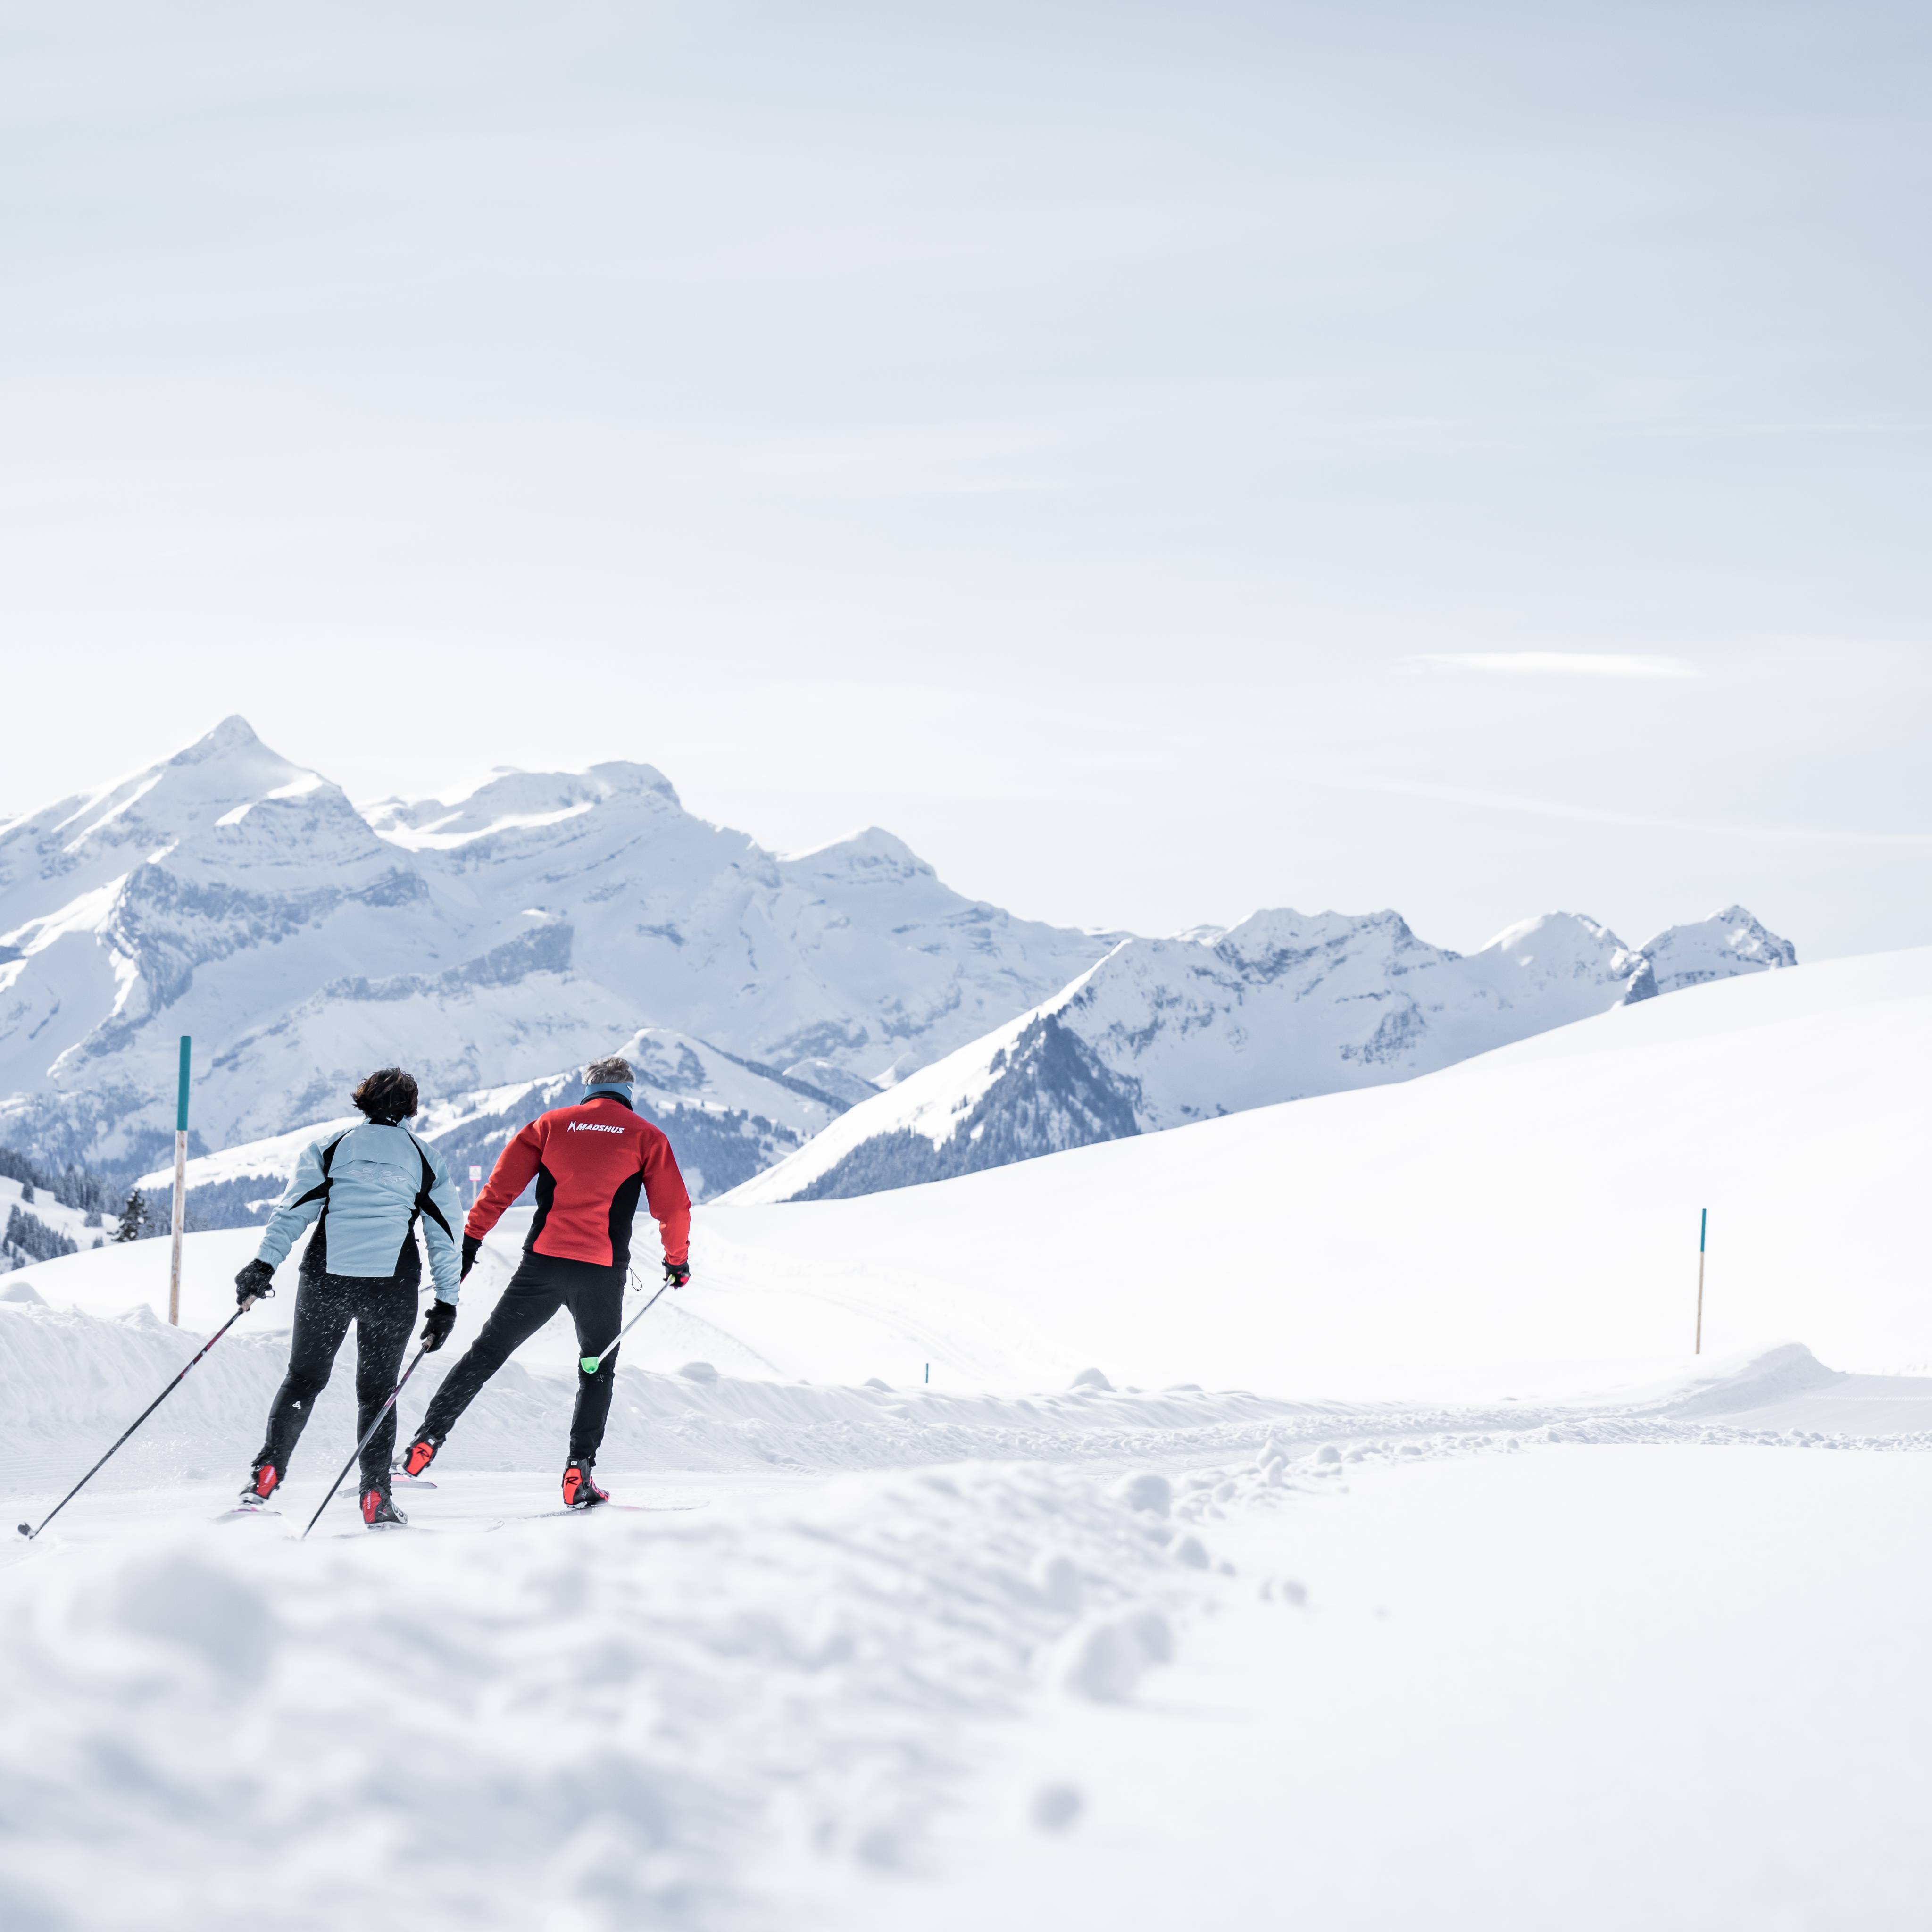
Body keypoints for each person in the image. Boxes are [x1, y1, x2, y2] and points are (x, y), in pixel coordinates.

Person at [402, 1055, 691, 1508]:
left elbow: (499, 1189)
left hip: (542, 1267)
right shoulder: (647, 1137)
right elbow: (673, 1209)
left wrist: (472, 1244)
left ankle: (424, 1446)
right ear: (629, 1091)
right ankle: (579, 1471)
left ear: (588, 1087)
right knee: (595, 1368)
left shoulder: (550, 1124)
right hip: (600, 1272)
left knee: (487, 1353)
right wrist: (677, 1262)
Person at [233, 1067, 464, 1527]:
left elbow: (292, 1213)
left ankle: (266, 1472)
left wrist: (263, 1265)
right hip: (391, 1289)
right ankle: (375, 1495)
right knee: (378, 1394)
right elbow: (444, 1237)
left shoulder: (330, 1148)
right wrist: (446, 1303)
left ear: (363, 1101)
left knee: (303, 1380)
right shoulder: (427, 1159)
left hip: (327, 1281)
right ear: (411, 1108)